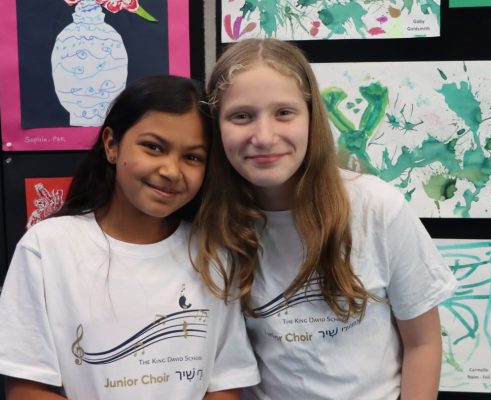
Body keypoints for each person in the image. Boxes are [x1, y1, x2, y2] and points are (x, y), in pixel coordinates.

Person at [193, 39, 458, 400]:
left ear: (311, 117)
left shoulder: (379, 208)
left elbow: (423, 342)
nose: (265, 136)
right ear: (216, 126)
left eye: (284, 113)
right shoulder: (213, 224)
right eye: (242, 116)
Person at [0, 76, 260, 400]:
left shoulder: (213, 256)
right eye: (154, 147)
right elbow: (25, 388)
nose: (171, 170)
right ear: (112, 145)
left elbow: (226, 383)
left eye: (192, 157)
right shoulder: (47, 248)